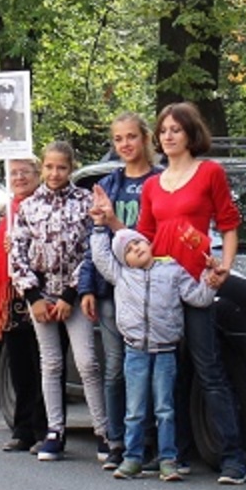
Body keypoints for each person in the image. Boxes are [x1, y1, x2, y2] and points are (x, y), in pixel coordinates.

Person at [135, 101, 246, 485]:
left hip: (197, 284)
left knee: (209, 369)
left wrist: (224, 269)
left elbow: (229, 225)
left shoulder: (210, 173)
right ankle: (174, 453)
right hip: (161, 290)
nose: (168, 136)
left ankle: (234, 458)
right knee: (170, 372)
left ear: (191, 134)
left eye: (175, 130)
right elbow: (145, 239)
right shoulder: (151, 184)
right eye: (163, 130)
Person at [8, 140, 110, 462]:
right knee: (50, 363)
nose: (54, 173)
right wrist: (33, 296)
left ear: (71, 169)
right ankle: (55, 430)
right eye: (49, 167)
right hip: (41, 296)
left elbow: (89, 250)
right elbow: (18, 254)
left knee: (87, 362)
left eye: (61, 168)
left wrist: (70, 293)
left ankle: (103, 431)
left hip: (74, 298)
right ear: (43, 168)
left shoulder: (83, 202)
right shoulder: (28, 207)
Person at [90, 223, 216, 482]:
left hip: (166, 351)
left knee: (165, 408)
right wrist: (100, 228)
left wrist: (210, 279)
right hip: (135, 350)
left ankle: (168, 459)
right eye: (128, 250)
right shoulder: (122, 275)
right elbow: (101, 257)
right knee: (135, 409)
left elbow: (198, 297)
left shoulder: (172, 270)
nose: (136, 249)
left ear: (148, 243)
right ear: (123, 260)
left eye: (138, 243)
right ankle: (132, 458)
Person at [78, 113, 163, 469]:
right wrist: (86, 287)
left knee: (155, 366)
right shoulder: (109, 184)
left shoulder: (161, 181)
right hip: (113, 290)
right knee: (116, 368)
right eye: (118, 139)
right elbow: (93, 239)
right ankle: (117, 441)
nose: (125, 144)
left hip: (154, 288)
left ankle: (155, 442)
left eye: (131, 137)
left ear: (145, 138)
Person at [0, 156, 49, 452]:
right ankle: (23, 428)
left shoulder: (44, 204)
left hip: (40, 298)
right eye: (13, 173)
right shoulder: (6, 212)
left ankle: (46, 428)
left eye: (25, 172)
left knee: (44, 366)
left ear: (37, 174)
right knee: (19, 367)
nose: (19, 178)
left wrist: (22, 246)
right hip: (11, 304)